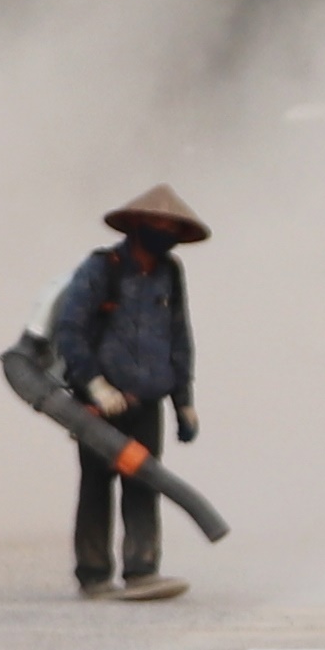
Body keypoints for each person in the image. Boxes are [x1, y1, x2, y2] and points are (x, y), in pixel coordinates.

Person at [46, 186, 205, 601]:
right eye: (159, 223)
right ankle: (93, 573)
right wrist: (95, 384)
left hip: (147, 401)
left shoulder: (170, 272)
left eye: (173, 226)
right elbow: (70, 330)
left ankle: (142, 569)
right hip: (100, 404)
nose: (166, 231)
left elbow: (178, 337)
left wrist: (184, 401)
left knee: (144, 482)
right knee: (97, 485)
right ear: (137, 224)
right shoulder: (103, 269)